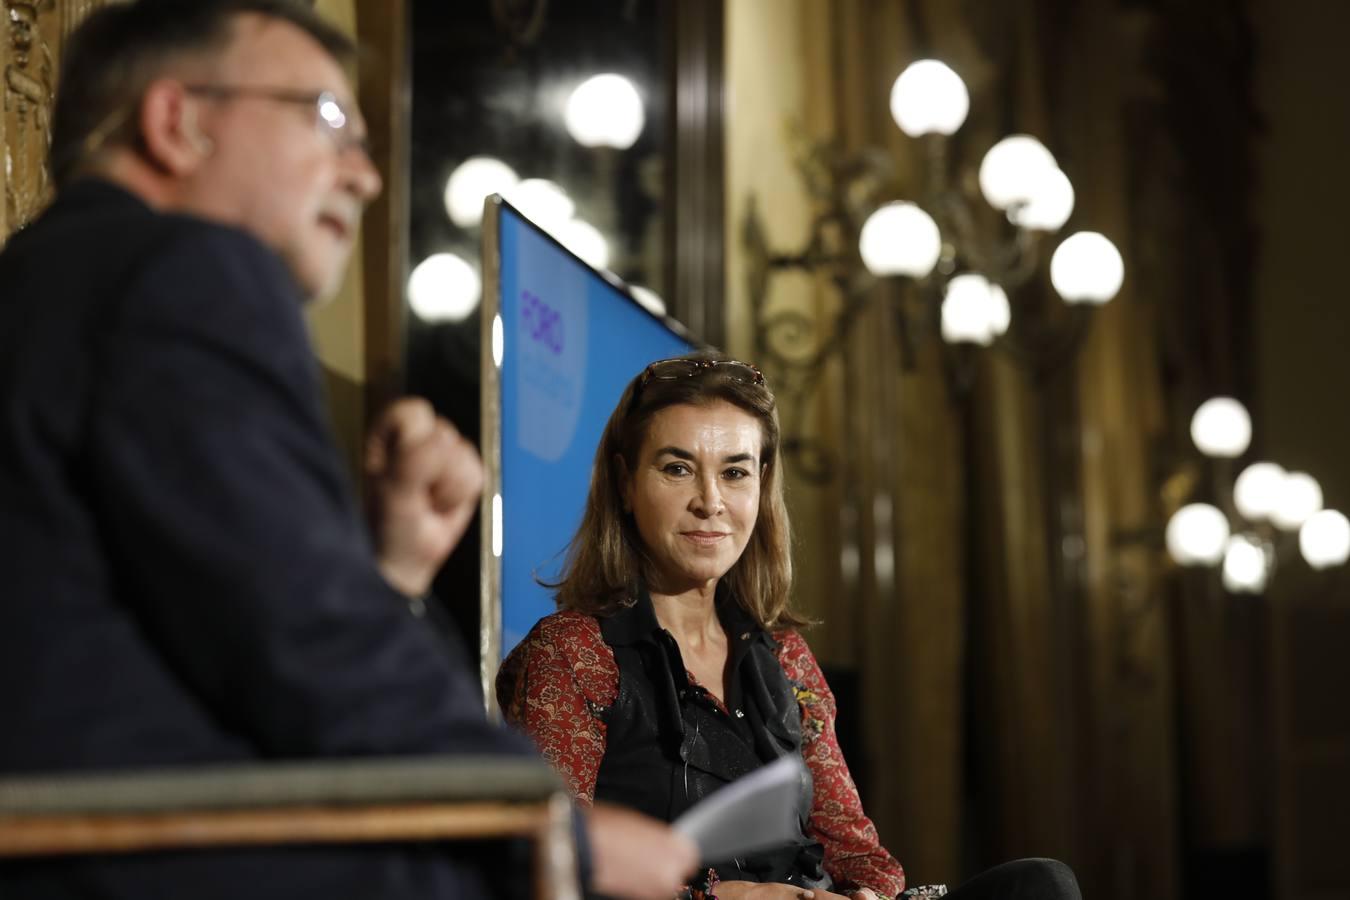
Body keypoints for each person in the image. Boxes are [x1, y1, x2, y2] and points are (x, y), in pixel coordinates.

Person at [0, 1, 694, 897]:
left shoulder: (44, 284)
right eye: (325, 117)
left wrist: (389, 569)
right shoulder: (182, 272)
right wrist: (553, 830)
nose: (365, 176)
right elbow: (312, 650)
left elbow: (206, 614)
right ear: (178, 122)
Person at [497, 353, 1082, 900]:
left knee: (1041, 884)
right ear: (625, 483)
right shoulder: (573, 652)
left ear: (761, 485)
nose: (710, 501)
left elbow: (861, 856)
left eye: (734, 473)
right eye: (677, 469)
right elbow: (549, 866)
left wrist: (867, 897)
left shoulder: (786, 656)